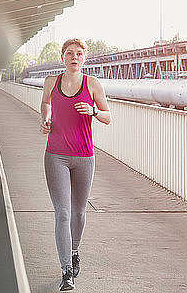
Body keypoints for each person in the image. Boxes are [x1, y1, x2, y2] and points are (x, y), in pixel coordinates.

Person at [40, 38, 111, 291]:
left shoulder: (92, 85)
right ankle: (66, 271)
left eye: (79, 54)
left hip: (84, 156)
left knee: (79, 212)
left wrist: (92, 111)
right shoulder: (52, 82)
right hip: (56, 155)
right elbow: (46, 103)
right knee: (62, 213)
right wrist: (46, 120)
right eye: (70, 53)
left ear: (84, 58)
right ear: (63, 56)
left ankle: (74, 250)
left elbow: (107, 117)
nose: (74, 57)